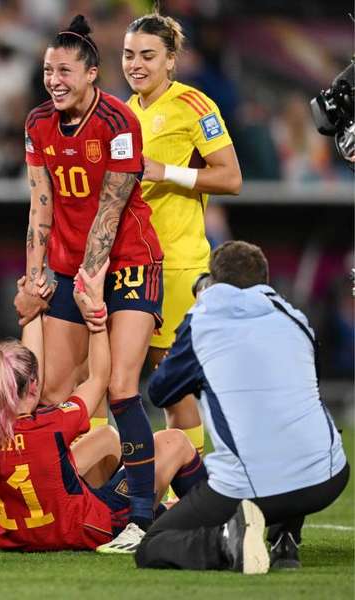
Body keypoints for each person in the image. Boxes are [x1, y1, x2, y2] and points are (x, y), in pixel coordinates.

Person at [20, 15, 164, 553]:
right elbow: (40, 203)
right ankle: (77, 503)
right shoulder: (37, 123)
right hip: (66, 267)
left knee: (122, 387)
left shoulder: (119, 120)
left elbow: (112, 206)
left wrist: (91, 280)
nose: (53, 79)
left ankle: (143, 518)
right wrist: (36, 277)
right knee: (55, 393)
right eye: (46, 70)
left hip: (127, 262)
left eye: (63, 70)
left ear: (91, 74)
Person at [136, 240, 349, 574]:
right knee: (290, 419)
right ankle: (285, 540)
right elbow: (309, 386)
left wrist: (189, 330)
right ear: (263, 280)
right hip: (329, 477)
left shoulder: (201, 321)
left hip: (254, 487)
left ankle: (226, 544)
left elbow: (161, 391)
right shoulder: (295, 318)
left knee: (152, 545)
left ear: (214, 282)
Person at [0, 262, 204, 552]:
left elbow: (30, 383)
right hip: (82, 529)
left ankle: (165, 513)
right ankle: (212, 520)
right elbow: (99, 377)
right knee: (174, 441)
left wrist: (33, 313)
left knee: (106, 438)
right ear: (32, 386)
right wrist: (97, 317)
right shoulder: (50, 426)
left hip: (16, 534)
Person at [122, 12, 242, 458]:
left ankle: (189, 488)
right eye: (129, 54)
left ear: (171, 60)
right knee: (134, 380)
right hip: (134, 264)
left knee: (174, 384)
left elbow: (230, 177)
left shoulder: (194, 105)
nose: (136, 64)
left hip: (177, 262)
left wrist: (166, 172)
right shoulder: (127, 111)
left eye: (149, 55)